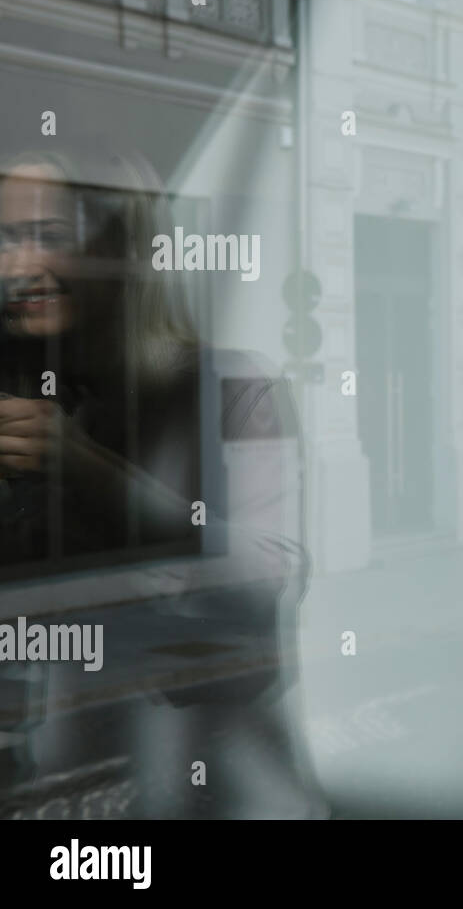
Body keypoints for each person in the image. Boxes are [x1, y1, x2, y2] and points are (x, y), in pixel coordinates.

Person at [0, 141, 326, 818]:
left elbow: (270, 573)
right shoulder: (26, 390)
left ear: (123, 249)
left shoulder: (231, 383)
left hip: (209, 785)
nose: (19, 265)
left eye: (49, 237)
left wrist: (93, 477)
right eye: (4, 239)